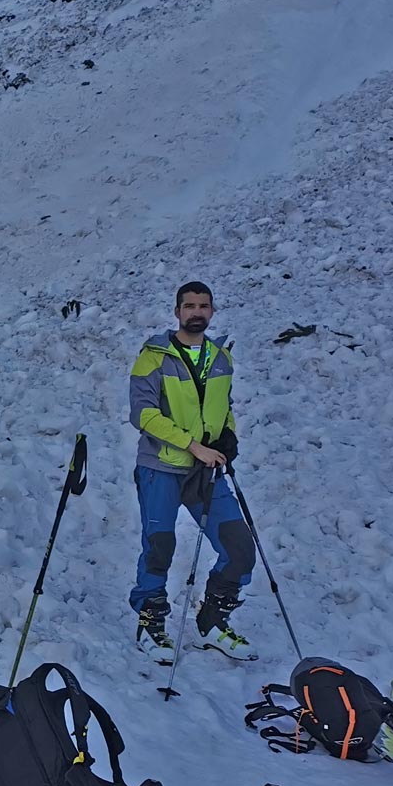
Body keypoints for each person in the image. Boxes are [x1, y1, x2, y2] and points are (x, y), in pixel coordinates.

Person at [127, 281, 255, 657]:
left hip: (207, 472)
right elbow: (143, 414)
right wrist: (193, 445)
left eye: (203, 305)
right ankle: (150, 622)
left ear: (212, 311)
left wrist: (227, 438)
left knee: (239, 546)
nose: (196, 311)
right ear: (177, 312)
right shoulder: (153, 357)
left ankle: (213, 618)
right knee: (159, 547)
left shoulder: (220, 358)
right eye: (189, 306)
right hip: (161, 468)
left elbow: (221, 408)